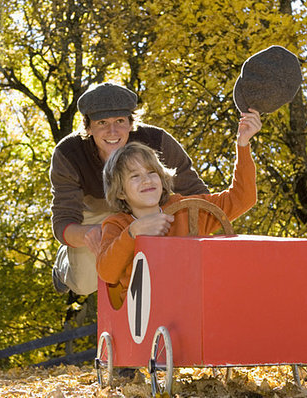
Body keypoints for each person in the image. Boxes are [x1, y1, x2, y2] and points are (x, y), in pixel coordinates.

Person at [49, 82, 208, 295]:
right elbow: (63, 222)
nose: (112, 131)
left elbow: (197, 194)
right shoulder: (69, 154)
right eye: (102, 122)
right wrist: (91, 234)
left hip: (149, 210)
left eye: (120, 121)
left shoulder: (157, 141)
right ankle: (64, 264)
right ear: (88, 127)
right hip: (97, 219)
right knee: (85, 286)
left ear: (132, 123)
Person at [96, 109, 261, 308]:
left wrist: (242, 145)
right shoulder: (118, 225)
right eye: (135, 176)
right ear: (121, 192)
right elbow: (107, 271)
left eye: (151, 172)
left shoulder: (186, 210)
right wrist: (133, 233)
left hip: (194, 305)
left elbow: (242, 198)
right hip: (145, 317)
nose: (147, 180)